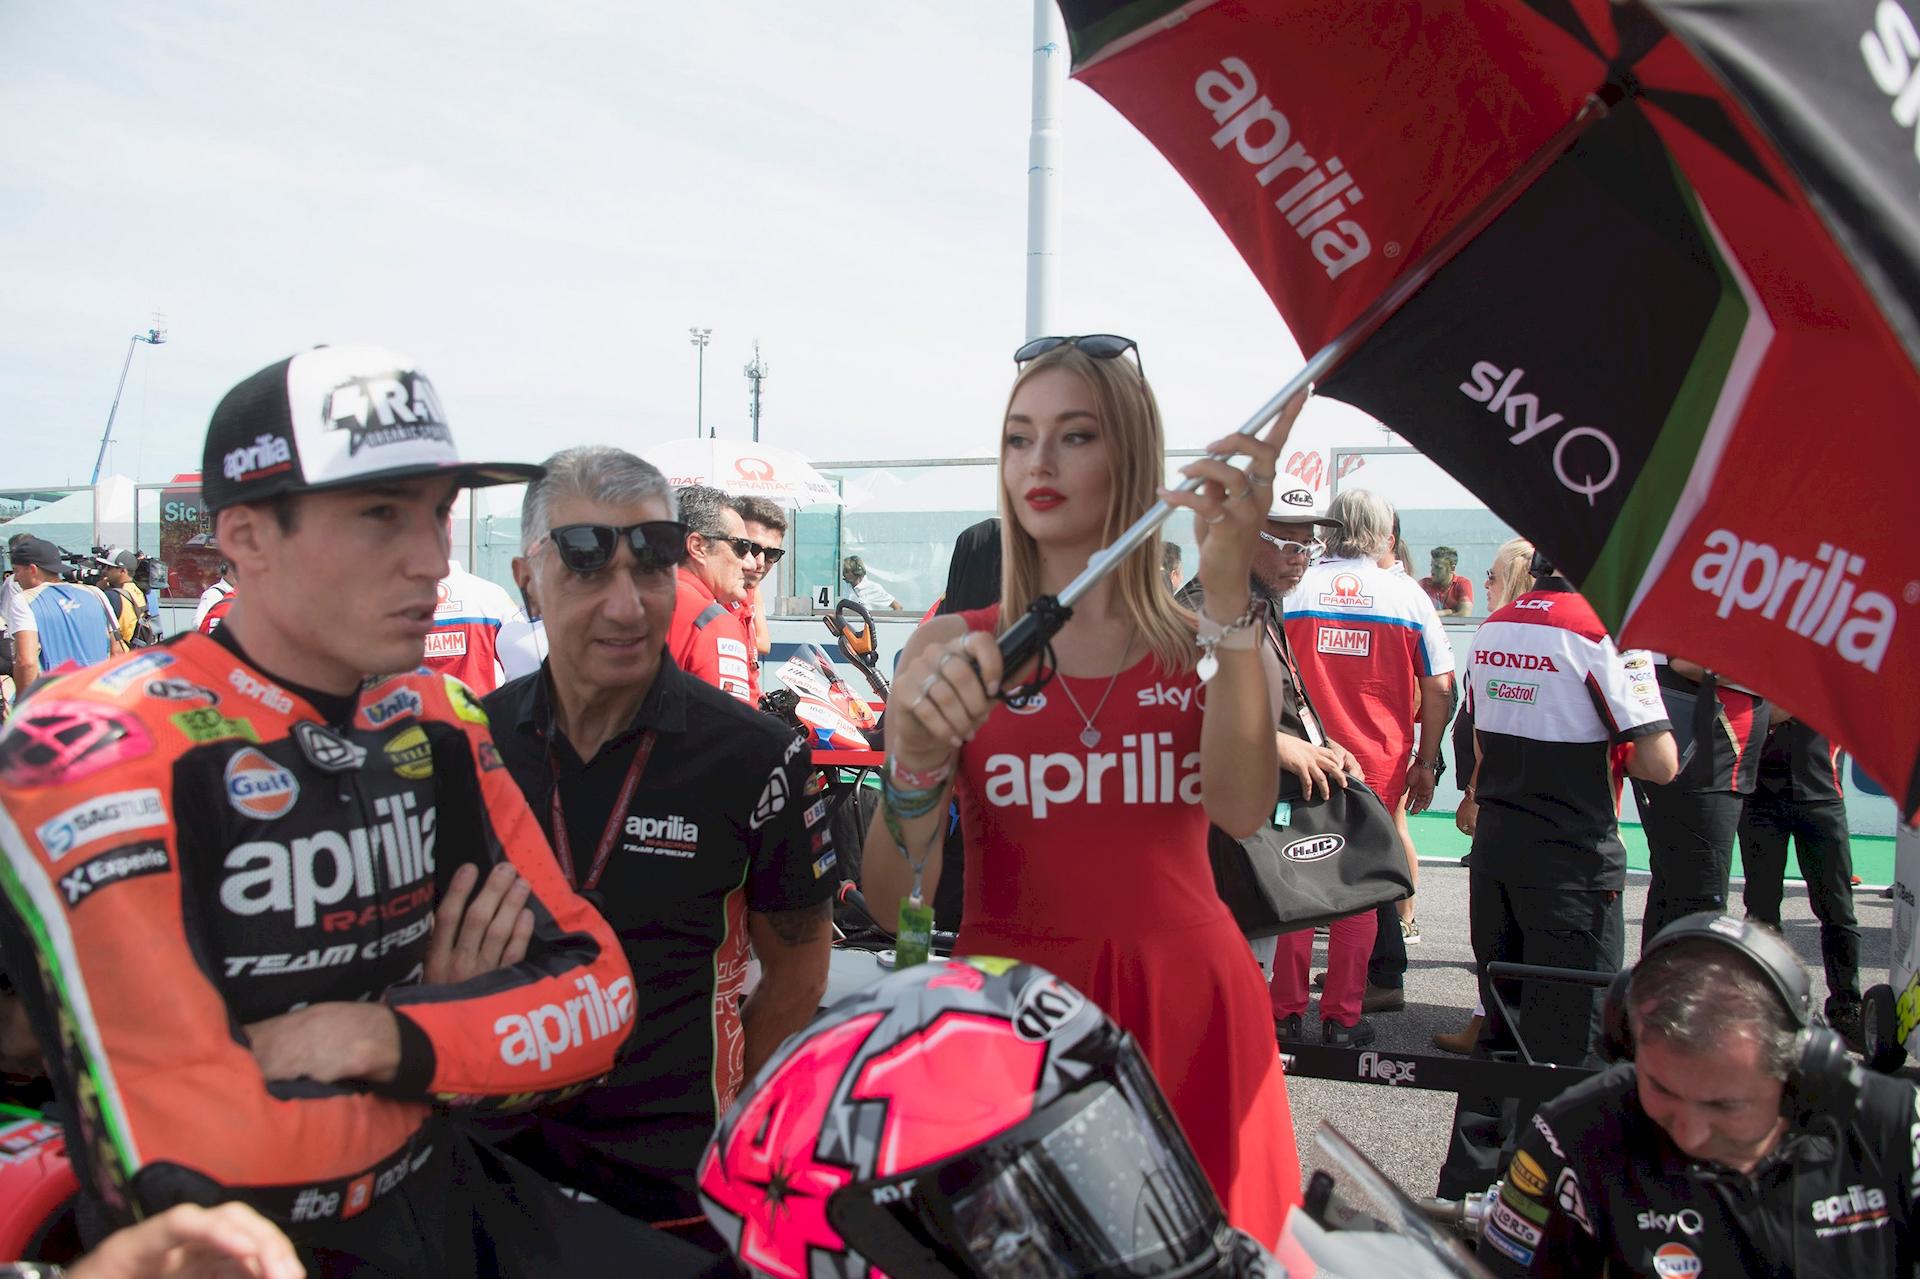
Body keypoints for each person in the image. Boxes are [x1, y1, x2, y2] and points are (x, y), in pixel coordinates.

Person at [0, 345, 722, 1277]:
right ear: (247, 536)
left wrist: (378, 1030)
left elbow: (596, 996)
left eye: (437, 514)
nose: (432, 559)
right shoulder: (106, 740)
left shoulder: (437, 716)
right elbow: (188, 1125)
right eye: (382, 514)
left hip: (440, 1189)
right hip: (230, 1244)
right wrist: (457, 1031)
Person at [859, 334, 1301, 1245]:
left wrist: (1228, 596)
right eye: (1019, 439)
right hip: (1009, 1008)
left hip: (1190, 1004)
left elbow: (1243, 808)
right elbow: (892, 897)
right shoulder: (949, 647)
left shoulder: (1201, 639)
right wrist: (912, 762)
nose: (1039, 463)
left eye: (1074, 436)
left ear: (1130, 459)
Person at [482, 446, 834, 1237]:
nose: (625, 602)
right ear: (526, 578)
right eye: (585, 563)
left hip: (675, 1194)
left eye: (652, 564)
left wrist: (739, 1113)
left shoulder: (753, 755)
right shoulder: (468, 745)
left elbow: (802, 966)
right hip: (493, 1177)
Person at [1476, 913, 1918, 1277]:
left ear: (1802, 1067)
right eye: (1662, 1089)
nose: (1691, 1131)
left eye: (1725, 1104)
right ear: (1626, 1047)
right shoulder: (1573, 1136)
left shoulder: (1892, 1123)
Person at [1435, 551, 1678, 1199]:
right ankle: (1553, 1201)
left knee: (1502, 1021)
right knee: (1573, 1040)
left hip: (1497, 853)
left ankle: (1466, 1185)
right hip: (1571, 860)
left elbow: (1479, 739)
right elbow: (1661, 761)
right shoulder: (1605, 632)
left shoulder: (1495, 625)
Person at [1281, 488, 1454, 1039]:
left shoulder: (1295, 585)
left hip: (1300, 757)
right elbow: (1440, 686)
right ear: (1384, 533)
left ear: (1329, 528)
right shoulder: (1407, 596)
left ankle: (1282, 1014)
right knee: (1358, 888)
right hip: (1377, 762)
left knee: (1292, 877)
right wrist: (1427, 759)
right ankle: (1342, 1019)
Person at [1179, 480, 1362, 984]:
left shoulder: (1261, 600)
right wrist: (1273, 743)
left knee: (1248, 973)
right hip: (1215, 840)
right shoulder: (1204, 607)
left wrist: (1321, 742)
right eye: (1286, 543)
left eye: (1309, 544)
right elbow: (1172, 713)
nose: (1301, 557)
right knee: (1221, 980)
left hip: (1253, 824)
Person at [1437, 536, 1534, 1055]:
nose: (1487, 583)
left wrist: (1472, 791)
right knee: (1494, 921)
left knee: (1499, 920)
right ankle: (1486, 1014)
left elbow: (1488, 730)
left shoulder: (1506, 635)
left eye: (1494, 576)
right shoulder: (1497, 633)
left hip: (1500, 798)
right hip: (1495, 793)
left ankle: (1488, 1020)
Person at [1739, 715, 1863, 1048]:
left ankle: (1847, 1006)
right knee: (1762, 911)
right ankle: (1766, 1005)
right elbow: (1762, 710)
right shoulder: (1761, 667)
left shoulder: (1830, 668)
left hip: (1821, 794)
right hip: (1759, 797)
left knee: (1837, 910)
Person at [1634, 656, 1768, 943]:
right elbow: (1686, 662)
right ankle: (1682, 985)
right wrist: (1769, 672)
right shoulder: (1717, 614)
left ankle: (1655, 984)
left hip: (1714, 762)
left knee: (1673, 887)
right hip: (1702, 762)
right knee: (1698, 900)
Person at [666, 485, 758, 704]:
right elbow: (730, 729)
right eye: (742, 547)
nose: (751, 562)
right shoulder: (713, 622)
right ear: (698, 546)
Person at [4, 536, 122, 691]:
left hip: (54, 701)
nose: (15, 579)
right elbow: (117, 651)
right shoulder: (96, 594)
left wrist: (22, 707)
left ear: (32, 569)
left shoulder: (24, 600)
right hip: (97, 698)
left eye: (16, 571)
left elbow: (27, 662)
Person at [421, 552, 544, 696]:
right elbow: (523, 662)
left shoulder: (394, 604)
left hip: (414, 715)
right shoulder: (491, 596)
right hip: (481, 713)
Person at [729, 494, 786, 664]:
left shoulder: (752, 588)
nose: (759, 562)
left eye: (772, 554)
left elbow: (764, 645)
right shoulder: (710, 597)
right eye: (751, 548)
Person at [90, 550, 149, 647]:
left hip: (117, 651)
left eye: (109, 567)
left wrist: (98, 590)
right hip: (132, 649)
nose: (104, 571)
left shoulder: (112, 596)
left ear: (123, 571)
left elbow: (93, 625)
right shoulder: (138, 591)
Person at [1420, 545, 1474, 616]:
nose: (1432, 571)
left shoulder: (1462, 584)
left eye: (1438, 567)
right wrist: (1448, 612)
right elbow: (1417, 614)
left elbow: (1465, 615)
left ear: (1452, 568)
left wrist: (1435, 614)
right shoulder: (1424, 584)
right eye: (1432, 566)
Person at [192, 560, 235, 629]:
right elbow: (198, 623)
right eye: (234, 569)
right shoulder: (213, 594)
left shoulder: (246, 593)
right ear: (224, 570)